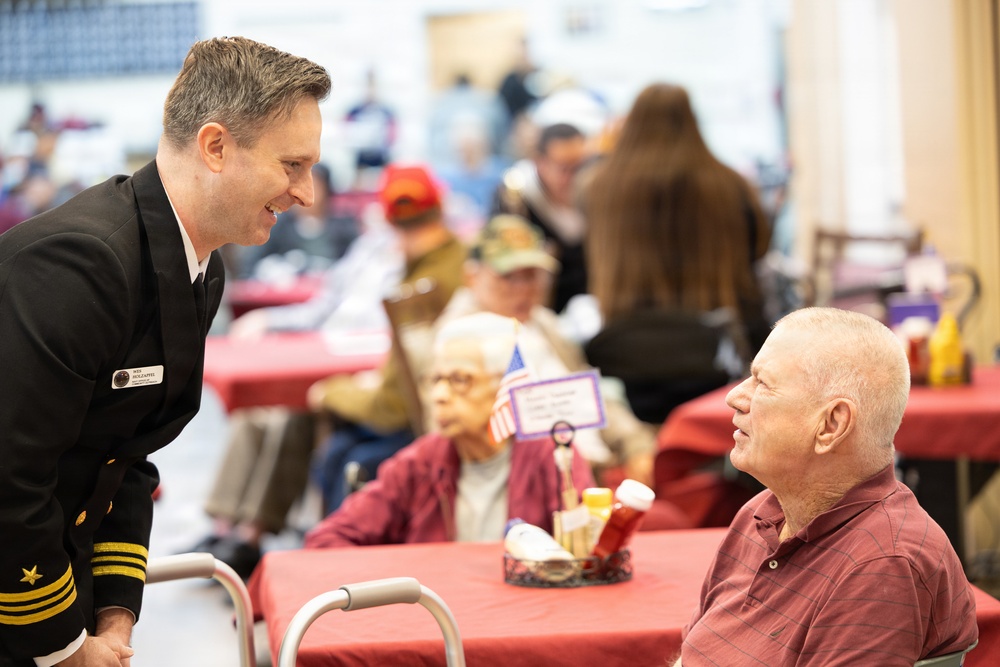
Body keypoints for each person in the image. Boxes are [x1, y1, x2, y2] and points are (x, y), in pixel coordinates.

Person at [0, 36, 330, 667]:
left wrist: (116, 613)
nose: (307, 193)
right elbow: (9, 479)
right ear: (215, 146)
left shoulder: (197, 266)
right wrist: (63, 647)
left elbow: (126, 453)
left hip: (66, 593)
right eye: (292, 165)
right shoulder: (81, 263)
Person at [189, 163, 464, 577]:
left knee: (303, 419)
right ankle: (231, 524)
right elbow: (330, 304)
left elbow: (396, 400)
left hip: (381, 390)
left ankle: (259, 535)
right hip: (352, 363)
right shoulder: (399, 257)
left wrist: (329, 392)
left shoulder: (427, 278)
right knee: (269, 412)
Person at [675, 307, 978, 666]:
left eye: (763, 383)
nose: (736, 397)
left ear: (831, 426)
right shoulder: (761, 512)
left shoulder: (883, 564)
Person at [304, 312, 595, 547]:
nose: (439, 396)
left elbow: (589, 549)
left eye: (459, 380)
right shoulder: (421, 462)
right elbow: (328, 539)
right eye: (436, 379)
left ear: (504, 389)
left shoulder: (554, 458)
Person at [435, 213, 663, 490]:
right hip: (533, 485)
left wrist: (635, 443)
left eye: (531, 275)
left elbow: (589, 391)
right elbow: (453, 435)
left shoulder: (544, 322)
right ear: (472, 276)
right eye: (508, 277)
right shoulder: (456, 340)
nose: (524, 290)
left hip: (595, 467)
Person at [582, 82, 771, 352]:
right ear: (691, 121)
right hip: (720, 337)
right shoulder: (729, 184)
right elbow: (759, 247)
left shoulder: (599, 187)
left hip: (629, 342)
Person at [491, 122, 589, 314]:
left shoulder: (593, 188)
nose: (573, 177)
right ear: (539, 162)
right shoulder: (515, 198)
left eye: (579, 167)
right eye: (563, 168)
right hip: (540, 307)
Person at [235, 162, 359, 279]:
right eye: (295, 185)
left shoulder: (344, 228)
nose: (302, 195)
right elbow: (249, 267)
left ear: (327, 191)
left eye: (314, 187)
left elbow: (355, 266)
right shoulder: (276, 224)